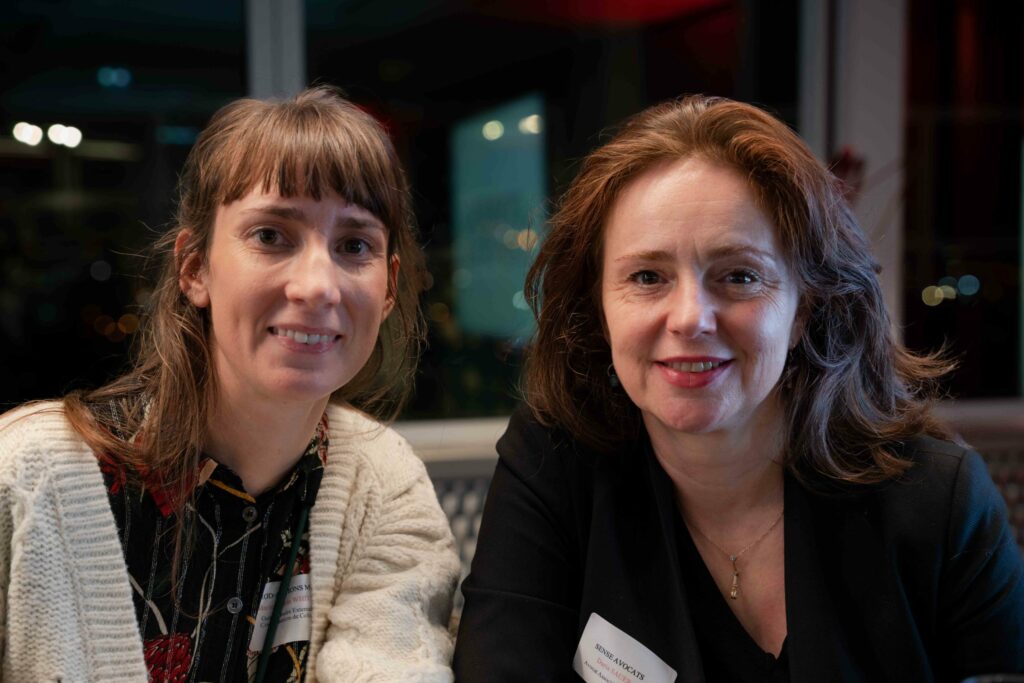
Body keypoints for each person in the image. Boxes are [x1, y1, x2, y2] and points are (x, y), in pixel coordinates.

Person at [453, 95, 1024, 681]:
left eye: (739, 276)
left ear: (805, 307)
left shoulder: (937, 501)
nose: (690, 318)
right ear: (597, 306)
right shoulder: (552, 464)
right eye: (647, 277)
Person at [0, 87, 460, 682]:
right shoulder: (25, 476)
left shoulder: (383, 485)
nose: (318, 286)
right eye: (271, 235)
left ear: (390, 287)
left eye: (354, 245)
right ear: (195, 268)